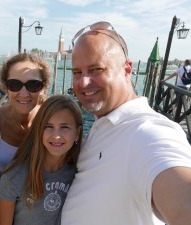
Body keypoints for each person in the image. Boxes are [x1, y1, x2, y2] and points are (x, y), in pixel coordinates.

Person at [61, 21, 191, 225]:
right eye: (77, 72)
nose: (83, 82)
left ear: (127, 69)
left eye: (96, 69)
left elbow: (182, 199)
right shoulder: (103, 123)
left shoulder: (148, 133)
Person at [0, 95, 83, 225]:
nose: (56, 135)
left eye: (64, 127)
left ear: (77, 133)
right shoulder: (14, 176)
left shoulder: (81, 170)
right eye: (48, 126)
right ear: (39, 130)